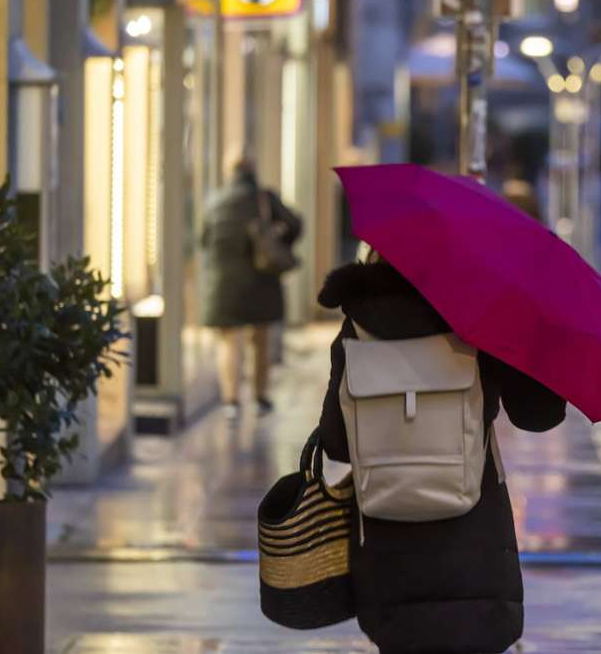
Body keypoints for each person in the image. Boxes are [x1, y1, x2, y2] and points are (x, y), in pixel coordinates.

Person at [314, 255, 567, 654]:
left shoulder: (357, 325)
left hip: (387, 555)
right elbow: (539, 414)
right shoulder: (484, 317)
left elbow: (336, 443)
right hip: (476, 553)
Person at [200, 159, 302, 420]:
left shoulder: (215, 200)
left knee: (229, 341)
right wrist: (279, 236)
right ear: (253, 173)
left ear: (230, 173)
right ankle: (260, 397)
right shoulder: (264, 198)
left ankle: (230, 401)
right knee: (261, 339)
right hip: (260, 280)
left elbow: (203, 240)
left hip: (224, 282)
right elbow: (296, 224)